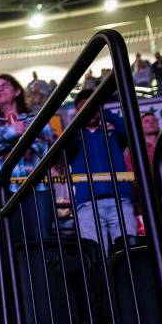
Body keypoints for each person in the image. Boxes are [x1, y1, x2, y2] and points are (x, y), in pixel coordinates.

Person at [0, 74, 56, 241]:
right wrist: (12, 132)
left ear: (17, 91)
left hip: (37, 187)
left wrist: (20, 134)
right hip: (2, 189)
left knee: (42, 239)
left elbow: (47, 148)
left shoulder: (35, 118)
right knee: (9, 242)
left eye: (5, 85)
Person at [66, 88, 137, 252]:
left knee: (129, 251)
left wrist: (104, 111)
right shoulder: (74, 136)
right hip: (87, 204)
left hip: (121, 200)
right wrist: (78, 121)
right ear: (77, 111)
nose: (89, 110)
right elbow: (65, 147)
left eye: (93, 106)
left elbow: (130, 131)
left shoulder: (113, 132)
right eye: (84, 107)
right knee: (97, 254)